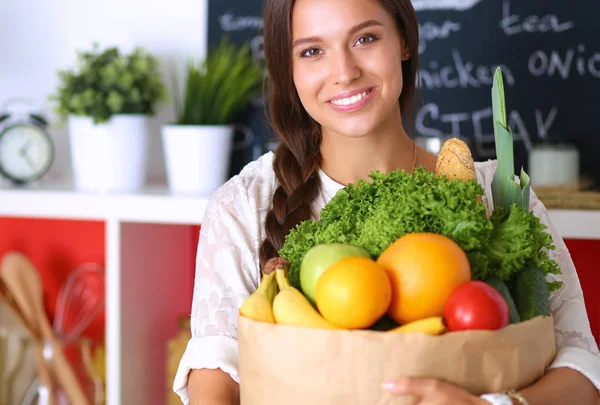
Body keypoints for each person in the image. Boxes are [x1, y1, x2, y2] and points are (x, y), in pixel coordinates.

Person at [173, 0, 600, 404]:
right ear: (288, 70)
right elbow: (216, 372)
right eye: (312, 51)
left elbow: (582, 371)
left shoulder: (498, 194)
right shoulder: (245, 205)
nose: (343, 73)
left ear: (405, 41)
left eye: (365, 39)